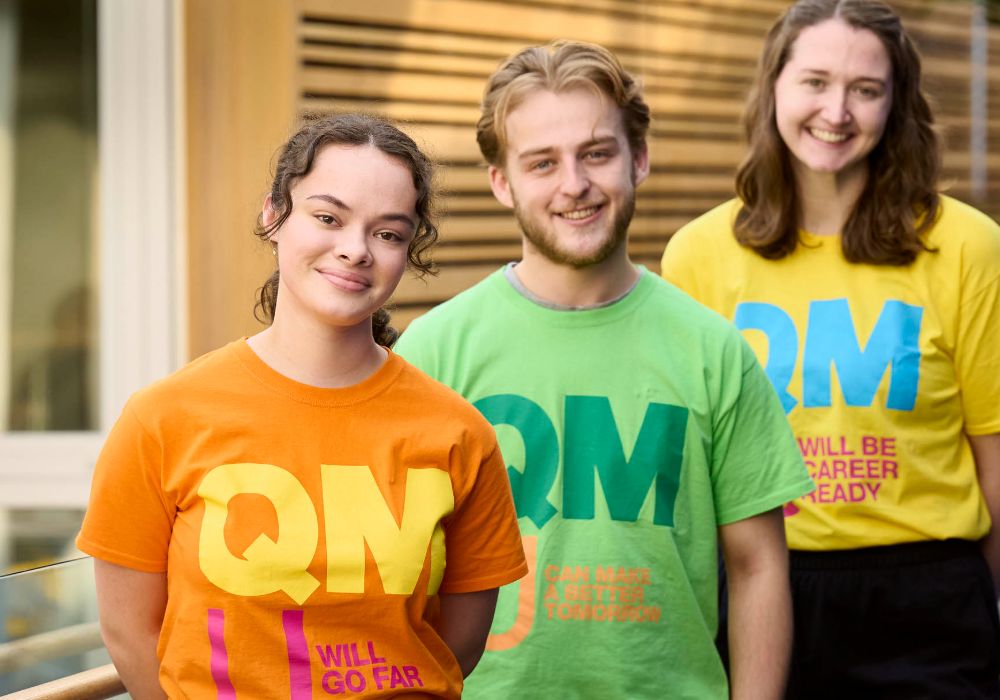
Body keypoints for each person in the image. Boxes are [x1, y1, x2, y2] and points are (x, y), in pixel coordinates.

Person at [394, 41, 813, 698]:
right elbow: (398, 571)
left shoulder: (714, 350)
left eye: (597, 153)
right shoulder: (434, 352)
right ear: (502, 182)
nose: (574, 184)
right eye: (542, 163)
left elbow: (758, 567)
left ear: (638, 159)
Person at [76, 113, 527, 699]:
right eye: (327, 218)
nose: (354, 250)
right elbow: (130, 633)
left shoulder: (459, 433)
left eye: (387, 233)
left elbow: (456, 646)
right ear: (273, 216)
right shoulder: (163, 418)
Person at [661, 1, 1000, 697]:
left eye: (865, 90)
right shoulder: (698, 255)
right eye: (815, 82)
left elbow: (995, 457)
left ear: (896, 103)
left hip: (929, 603)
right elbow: (692, 476)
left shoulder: (968, 247)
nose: (837, 112)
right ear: (774, 88)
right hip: (762, 591)